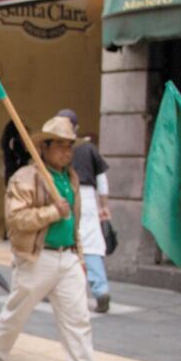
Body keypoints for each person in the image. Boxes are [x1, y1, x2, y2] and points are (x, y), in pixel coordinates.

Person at [0, 115, 112, 361]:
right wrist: (52, 212)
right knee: (17, 311)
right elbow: (16, 219)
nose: (66, 152)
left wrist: (79, 255)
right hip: (37, 257)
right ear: (45, 147)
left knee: (78, 318)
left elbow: (74, 222)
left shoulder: (71, 178)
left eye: (70, 146)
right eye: (61, 146)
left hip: (66, 257)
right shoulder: (26, 177)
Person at [63, 109, 113, 313]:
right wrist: (104, 205)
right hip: (89, 198)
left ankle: (61, 289)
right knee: (90, 244)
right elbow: (102, 181)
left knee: (66, 241)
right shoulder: (89, 148)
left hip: (66, 195)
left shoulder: (56, 148)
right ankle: (100, 289)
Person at [1, 119, 31, 183]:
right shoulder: (14, 142)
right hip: (15, 175)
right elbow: (23, 157)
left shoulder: (10, 141)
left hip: (11, 174)